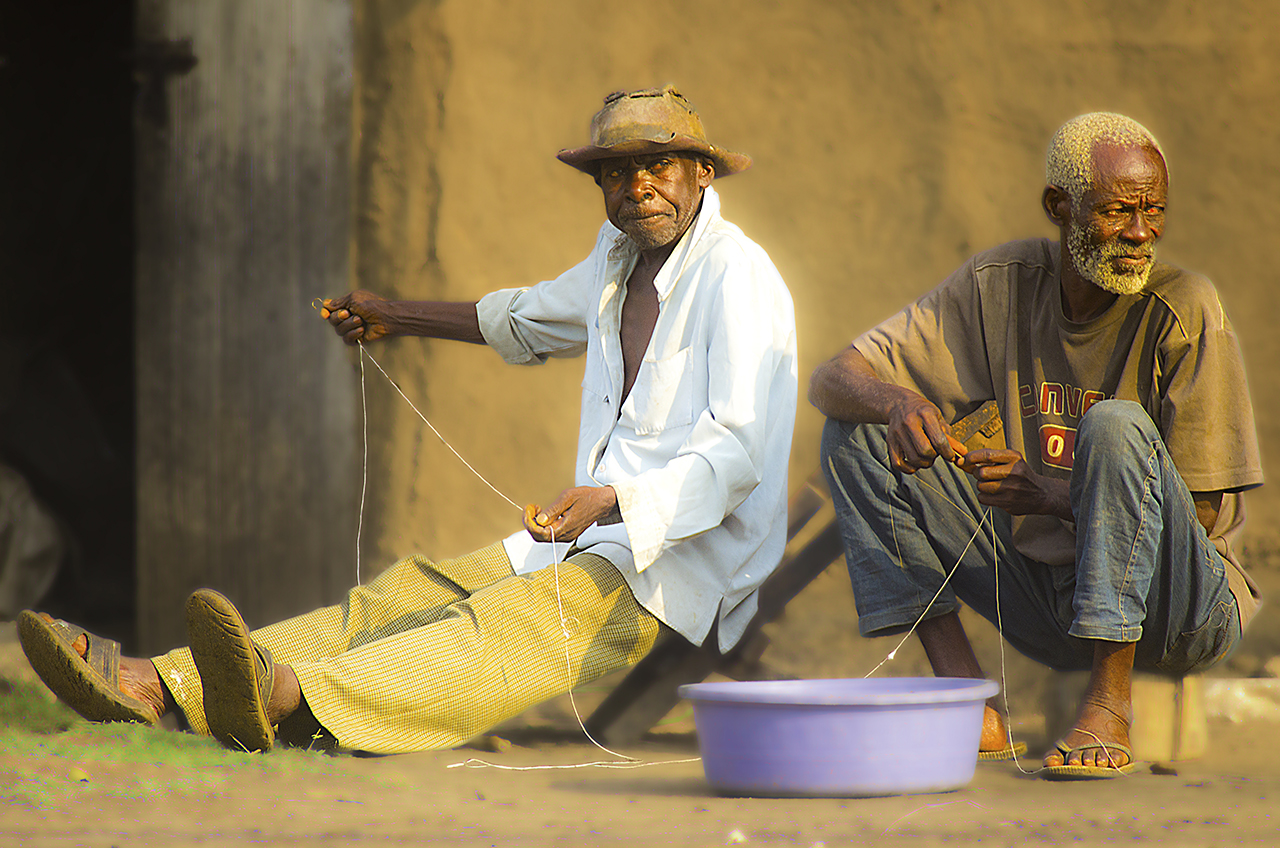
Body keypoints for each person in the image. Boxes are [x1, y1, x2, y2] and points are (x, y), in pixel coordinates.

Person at [19, 85, 797, 754]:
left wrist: (616, 500)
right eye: (617, 172)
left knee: (512, 621)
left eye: (657, 165)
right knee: (405, 593)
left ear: (701, 172)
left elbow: (737, 450)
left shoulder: (739, 277)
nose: (637, 187)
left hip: (687, 556)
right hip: (599, 528)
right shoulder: (617, 260)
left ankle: (286, 696)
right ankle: (160, 682)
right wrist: (395, 315)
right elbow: (526, 316)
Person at [810, 112, 1262, 779]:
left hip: (1183, 610)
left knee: (1113, 425)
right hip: (1053, 606)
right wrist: (902, 400)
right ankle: (970, 702)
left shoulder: (1185, 308)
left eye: (1154, 211)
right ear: (1060, 206)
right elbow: (834, 378)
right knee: (859, 432)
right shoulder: (1002, 284)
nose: (1141, 233)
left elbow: (1196, 516)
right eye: (1116, 212)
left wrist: (1049, 496)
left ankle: (1110, 704)